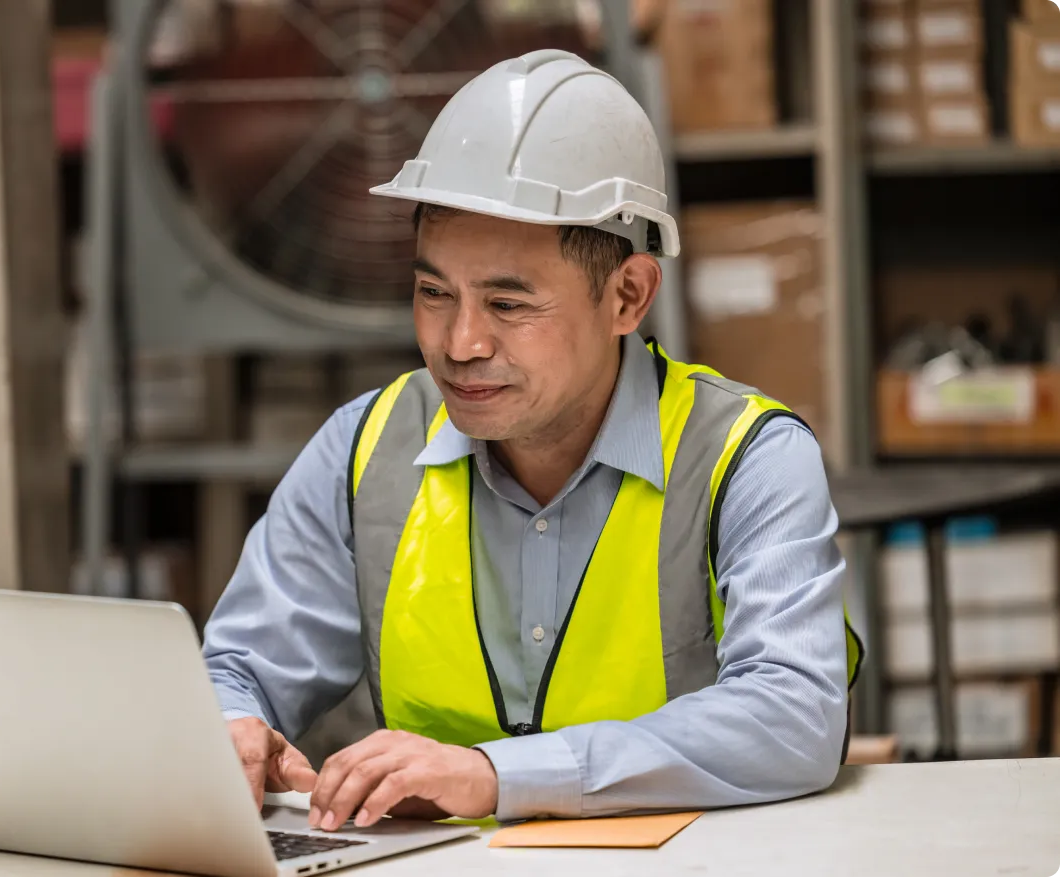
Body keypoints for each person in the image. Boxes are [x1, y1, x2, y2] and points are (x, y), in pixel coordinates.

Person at [202, 49, 861, 829]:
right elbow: (237, 667)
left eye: (509, 304)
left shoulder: (746, 458)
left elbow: (793, 713)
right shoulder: (364, 449)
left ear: (628, 295)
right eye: (432, 293)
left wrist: (497, 774)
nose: (460, 342)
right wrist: (227, 728)